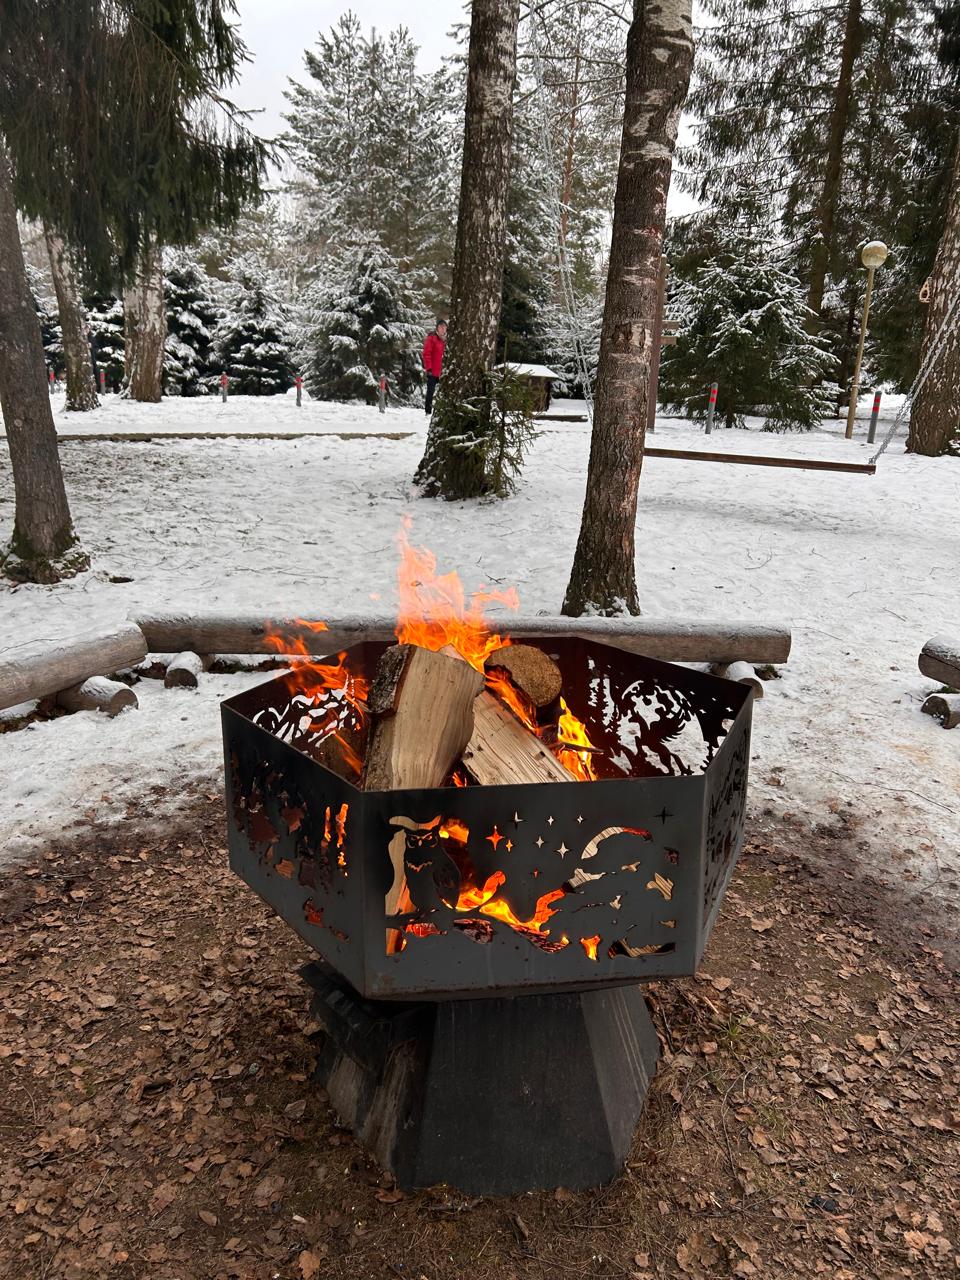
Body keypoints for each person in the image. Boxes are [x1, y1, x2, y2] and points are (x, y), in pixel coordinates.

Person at [422, 319, 447, 416]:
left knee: (443, 392)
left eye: (444, 327)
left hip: (443, 371)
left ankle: (441, 410)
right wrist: (429, 368)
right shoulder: (432, 338)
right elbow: (426, 354)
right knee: (430, 391)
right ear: (437, 328)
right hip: (433, 370)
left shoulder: (446, 340)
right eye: (441, 327)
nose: (443, 329)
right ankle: (428, 411)